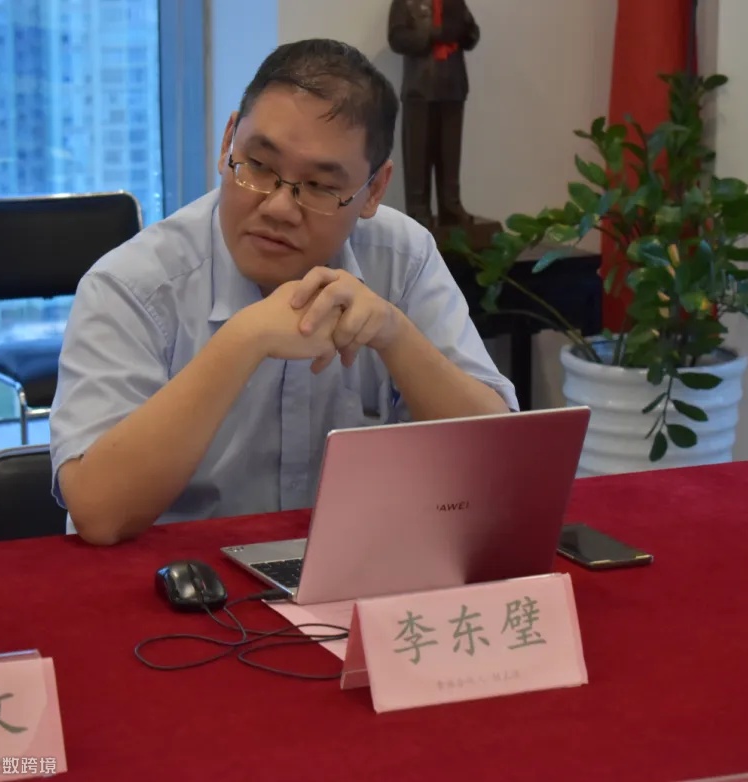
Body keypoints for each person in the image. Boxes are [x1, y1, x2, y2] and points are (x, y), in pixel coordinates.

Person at [50, 38, 517, 546]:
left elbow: (500, 461)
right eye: (258, 165)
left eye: (319, 186)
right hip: (180, 576)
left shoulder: (402, 258)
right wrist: (243, 340)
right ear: (228, 141)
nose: (277, 207)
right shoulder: (134, 285)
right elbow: (100, 513)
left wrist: (394, 334)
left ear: (374, 191)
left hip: (354, 564)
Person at [388, 0, 479, 228]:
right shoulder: (405, 2)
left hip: (453, 86)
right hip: (420, 88)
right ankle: (418, 209)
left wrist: (463, 32)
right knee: (418, 154)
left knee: (450, 153)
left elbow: (472, 34)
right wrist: (433, 34)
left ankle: (451, 206)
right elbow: (397, 38)